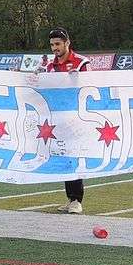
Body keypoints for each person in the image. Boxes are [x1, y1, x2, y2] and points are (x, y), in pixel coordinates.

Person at [45, 28, 89, 214]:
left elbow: (91, 87)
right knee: (63, 157)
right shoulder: (49, 66)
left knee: (73, 156)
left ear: (67, 43)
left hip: (76, 118)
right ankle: (71, 199)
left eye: (58, 44)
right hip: (58, 118)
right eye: (52, 45)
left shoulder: (81, 63)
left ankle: (77, 200)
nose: (55, 48)